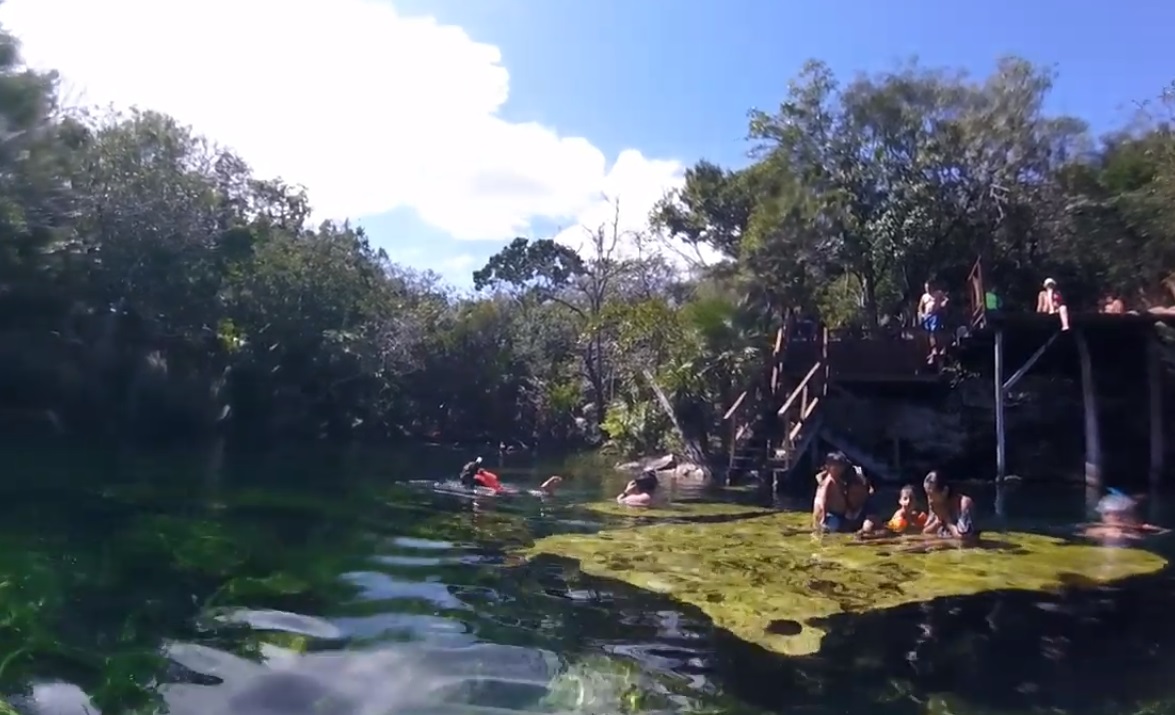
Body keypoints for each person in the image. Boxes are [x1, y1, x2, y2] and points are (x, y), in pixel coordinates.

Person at [812, 451, 877, 533]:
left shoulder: (841, 477)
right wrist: (824, 516)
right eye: (838, 466)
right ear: (830, 467)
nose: (840, 468)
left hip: (843, 514)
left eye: (842, 466)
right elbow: (825, 499)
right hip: (833, 514)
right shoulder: (829, 482)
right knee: (833, 528)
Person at [1081, 489, 1167, 546]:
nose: (1118, 518)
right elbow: (1088, 533)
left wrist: (1155, 530)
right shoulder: (1099, 530)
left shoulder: (1140, 529)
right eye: (1111, 514)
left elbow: (1166, 534)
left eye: (1123, 514)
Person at [457, 456, 562, 496]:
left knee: (534, 494)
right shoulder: (478, 478)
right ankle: (545, 489)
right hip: (504, 489)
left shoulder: (476, 483)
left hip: (504, 492)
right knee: (532, 493)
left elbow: (489, 492)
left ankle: (544, 489)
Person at [921, 471, 978, 543]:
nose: (929, 499)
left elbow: (964, 538)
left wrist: (947, 519)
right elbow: (925, 532)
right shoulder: (935, 504)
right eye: (927, 494)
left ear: (945, 491)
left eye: (931, 494)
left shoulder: (963, 503)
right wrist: (938, 522)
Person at [918, 282, 949, 363]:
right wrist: (922, 314)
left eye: (928, 287)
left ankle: (940, 348)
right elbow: (920, 307)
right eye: (926, 288)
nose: (927, 289)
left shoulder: (938, 293)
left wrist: (943, 303)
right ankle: (933, 350)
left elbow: (946, 299)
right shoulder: (924, 296)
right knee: (929, 333)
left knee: (934, 331)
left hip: (936, 314)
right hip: (927, 316)